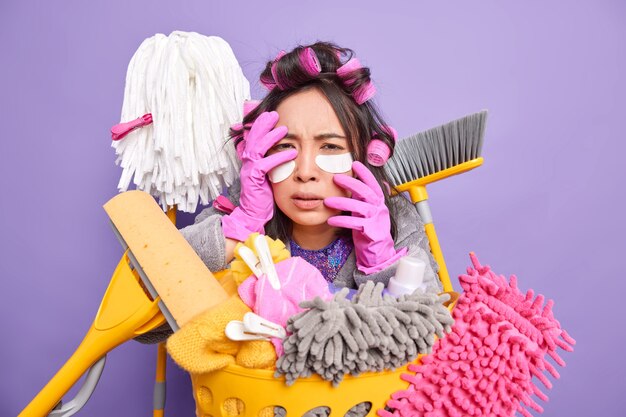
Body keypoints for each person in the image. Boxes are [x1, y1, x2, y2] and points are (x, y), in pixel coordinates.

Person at [182, 41, 440, 292]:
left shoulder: (398, 222)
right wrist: (242, 227)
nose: (305, 173)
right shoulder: (237, 208)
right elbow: (154, 324)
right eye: (285, 147)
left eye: (330, 147)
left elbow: (431, 330)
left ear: (363, 154)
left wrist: (383, 267)